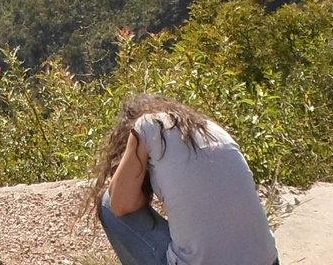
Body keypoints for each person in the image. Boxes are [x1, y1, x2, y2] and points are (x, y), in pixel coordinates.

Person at [86, 94, 279, 265]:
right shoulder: (210, 128)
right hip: (269, 261)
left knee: (108, 204)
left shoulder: (147, 125)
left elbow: (120, 203)